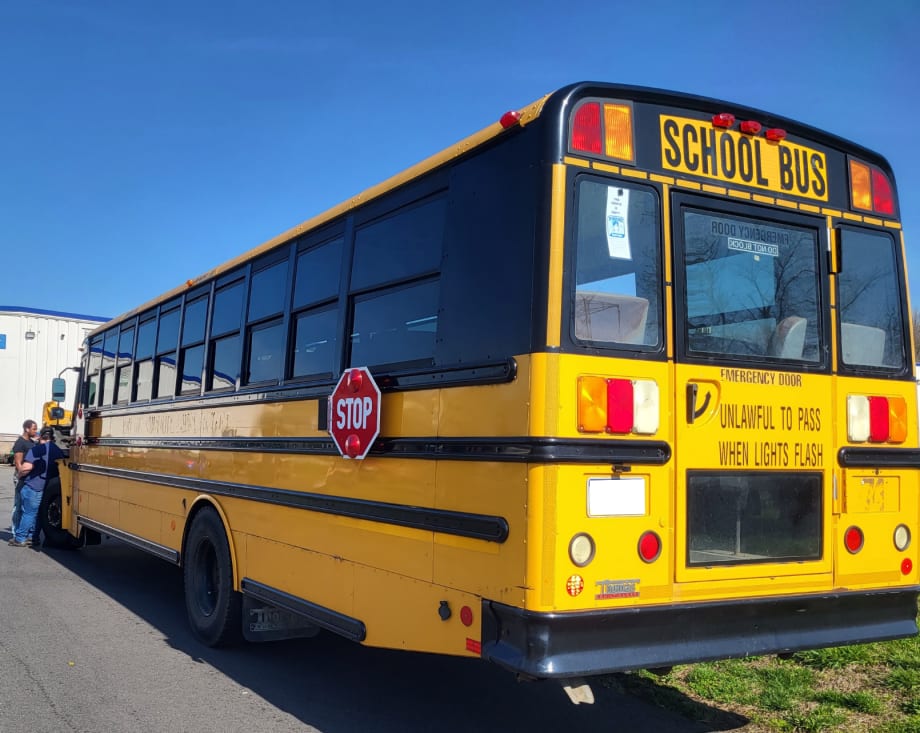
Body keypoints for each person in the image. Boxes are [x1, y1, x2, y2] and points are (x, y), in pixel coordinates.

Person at [10, 426, 64, 548]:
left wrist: (19, 475)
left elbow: (26, 467)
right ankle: (33, 538)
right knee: (38, 514)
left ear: (41, 437)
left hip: (33, 485)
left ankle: (20, 538)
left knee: (28, 512)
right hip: (47, 486)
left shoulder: (38, 450)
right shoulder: (57, 450)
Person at [10, 419, 38, 536]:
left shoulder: (31, 442)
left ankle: (25, 531)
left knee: (27, 507)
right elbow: (18, 462)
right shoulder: (20, 443)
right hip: (22, 477)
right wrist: (21, 475)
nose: (36, 431)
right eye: (34, 429)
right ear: (27, 429)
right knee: (19, 505)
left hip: (30, 478)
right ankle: (16, 532)